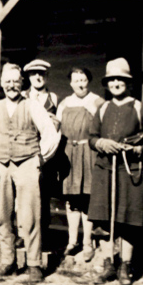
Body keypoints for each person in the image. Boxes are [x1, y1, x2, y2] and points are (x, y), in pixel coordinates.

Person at [0, 63, 60, 283]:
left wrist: (40, 158)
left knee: (30, 215)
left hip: (27, 162)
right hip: (2, 165)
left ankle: (34, 263)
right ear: (1, 84)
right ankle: (8, 260)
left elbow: (51, 134)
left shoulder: (32, 105)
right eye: (7, 82)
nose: (12, 86)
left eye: (16, 81)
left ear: (21, 83)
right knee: (3, 215)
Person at [88, 58, 143, 285]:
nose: (116, 83)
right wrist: (101, 144)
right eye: (112, 80)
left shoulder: (139, 107)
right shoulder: (103, 108)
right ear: (107, 84)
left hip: (130, 171)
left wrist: (138, 149)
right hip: (105, 170)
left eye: (121, 79)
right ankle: (109, 264)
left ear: (128, 83)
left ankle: (125, 266)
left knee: (128, 218)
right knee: (104, 217)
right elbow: (91, 137)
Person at [56, 67, 105, 262]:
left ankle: (87, 242)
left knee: (87, 199)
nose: (80, 84)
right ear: (70, 83)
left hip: (89, 153)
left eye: (83, 80)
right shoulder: (65, 103)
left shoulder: (97, 102)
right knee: (71, 200)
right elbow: (55, 128)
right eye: (76, 80)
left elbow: (103, 127)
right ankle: (72, 240)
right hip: (69, 154)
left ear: (88, 81)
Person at [23, 59, 61, 238]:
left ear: (47, 76)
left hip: (47, 155)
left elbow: (58, 126)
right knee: (25, 196)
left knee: (44, 195)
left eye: (41, 73)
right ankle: (23, 234)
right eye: (33, 73)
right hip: (27, 151)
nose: (37, 77)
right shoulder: (23, 96)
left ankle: (42, 235)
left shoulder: (54, 98)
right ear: (28, 77)